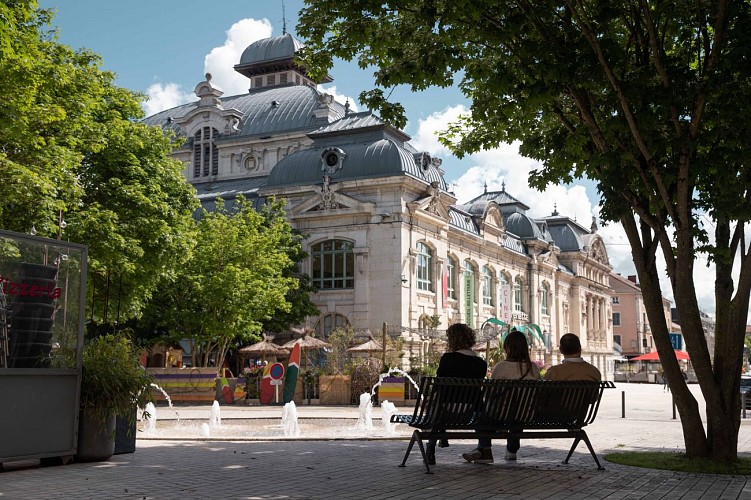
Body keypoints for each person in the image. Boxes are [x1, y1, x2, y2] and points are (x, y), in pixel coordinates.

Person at [462, 329, 541, 464]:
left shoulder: (502, 367)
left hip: (500, 414)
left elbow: (490, 393)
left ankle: (485, 450)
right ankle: (512, 449)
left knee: (480, 416)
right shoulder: (533, 368)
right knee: (517, 414)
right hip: (526, 414)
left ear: (508, 348)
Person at [426, 323, 487, 465]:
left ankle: (431, 447)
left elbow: (438, 386)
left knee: (434, 407)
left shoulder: (448, 359)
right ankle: (483, 447)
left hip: (445, 411)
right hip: (470, 412)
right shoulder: (480, 364)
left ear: (452, 340)